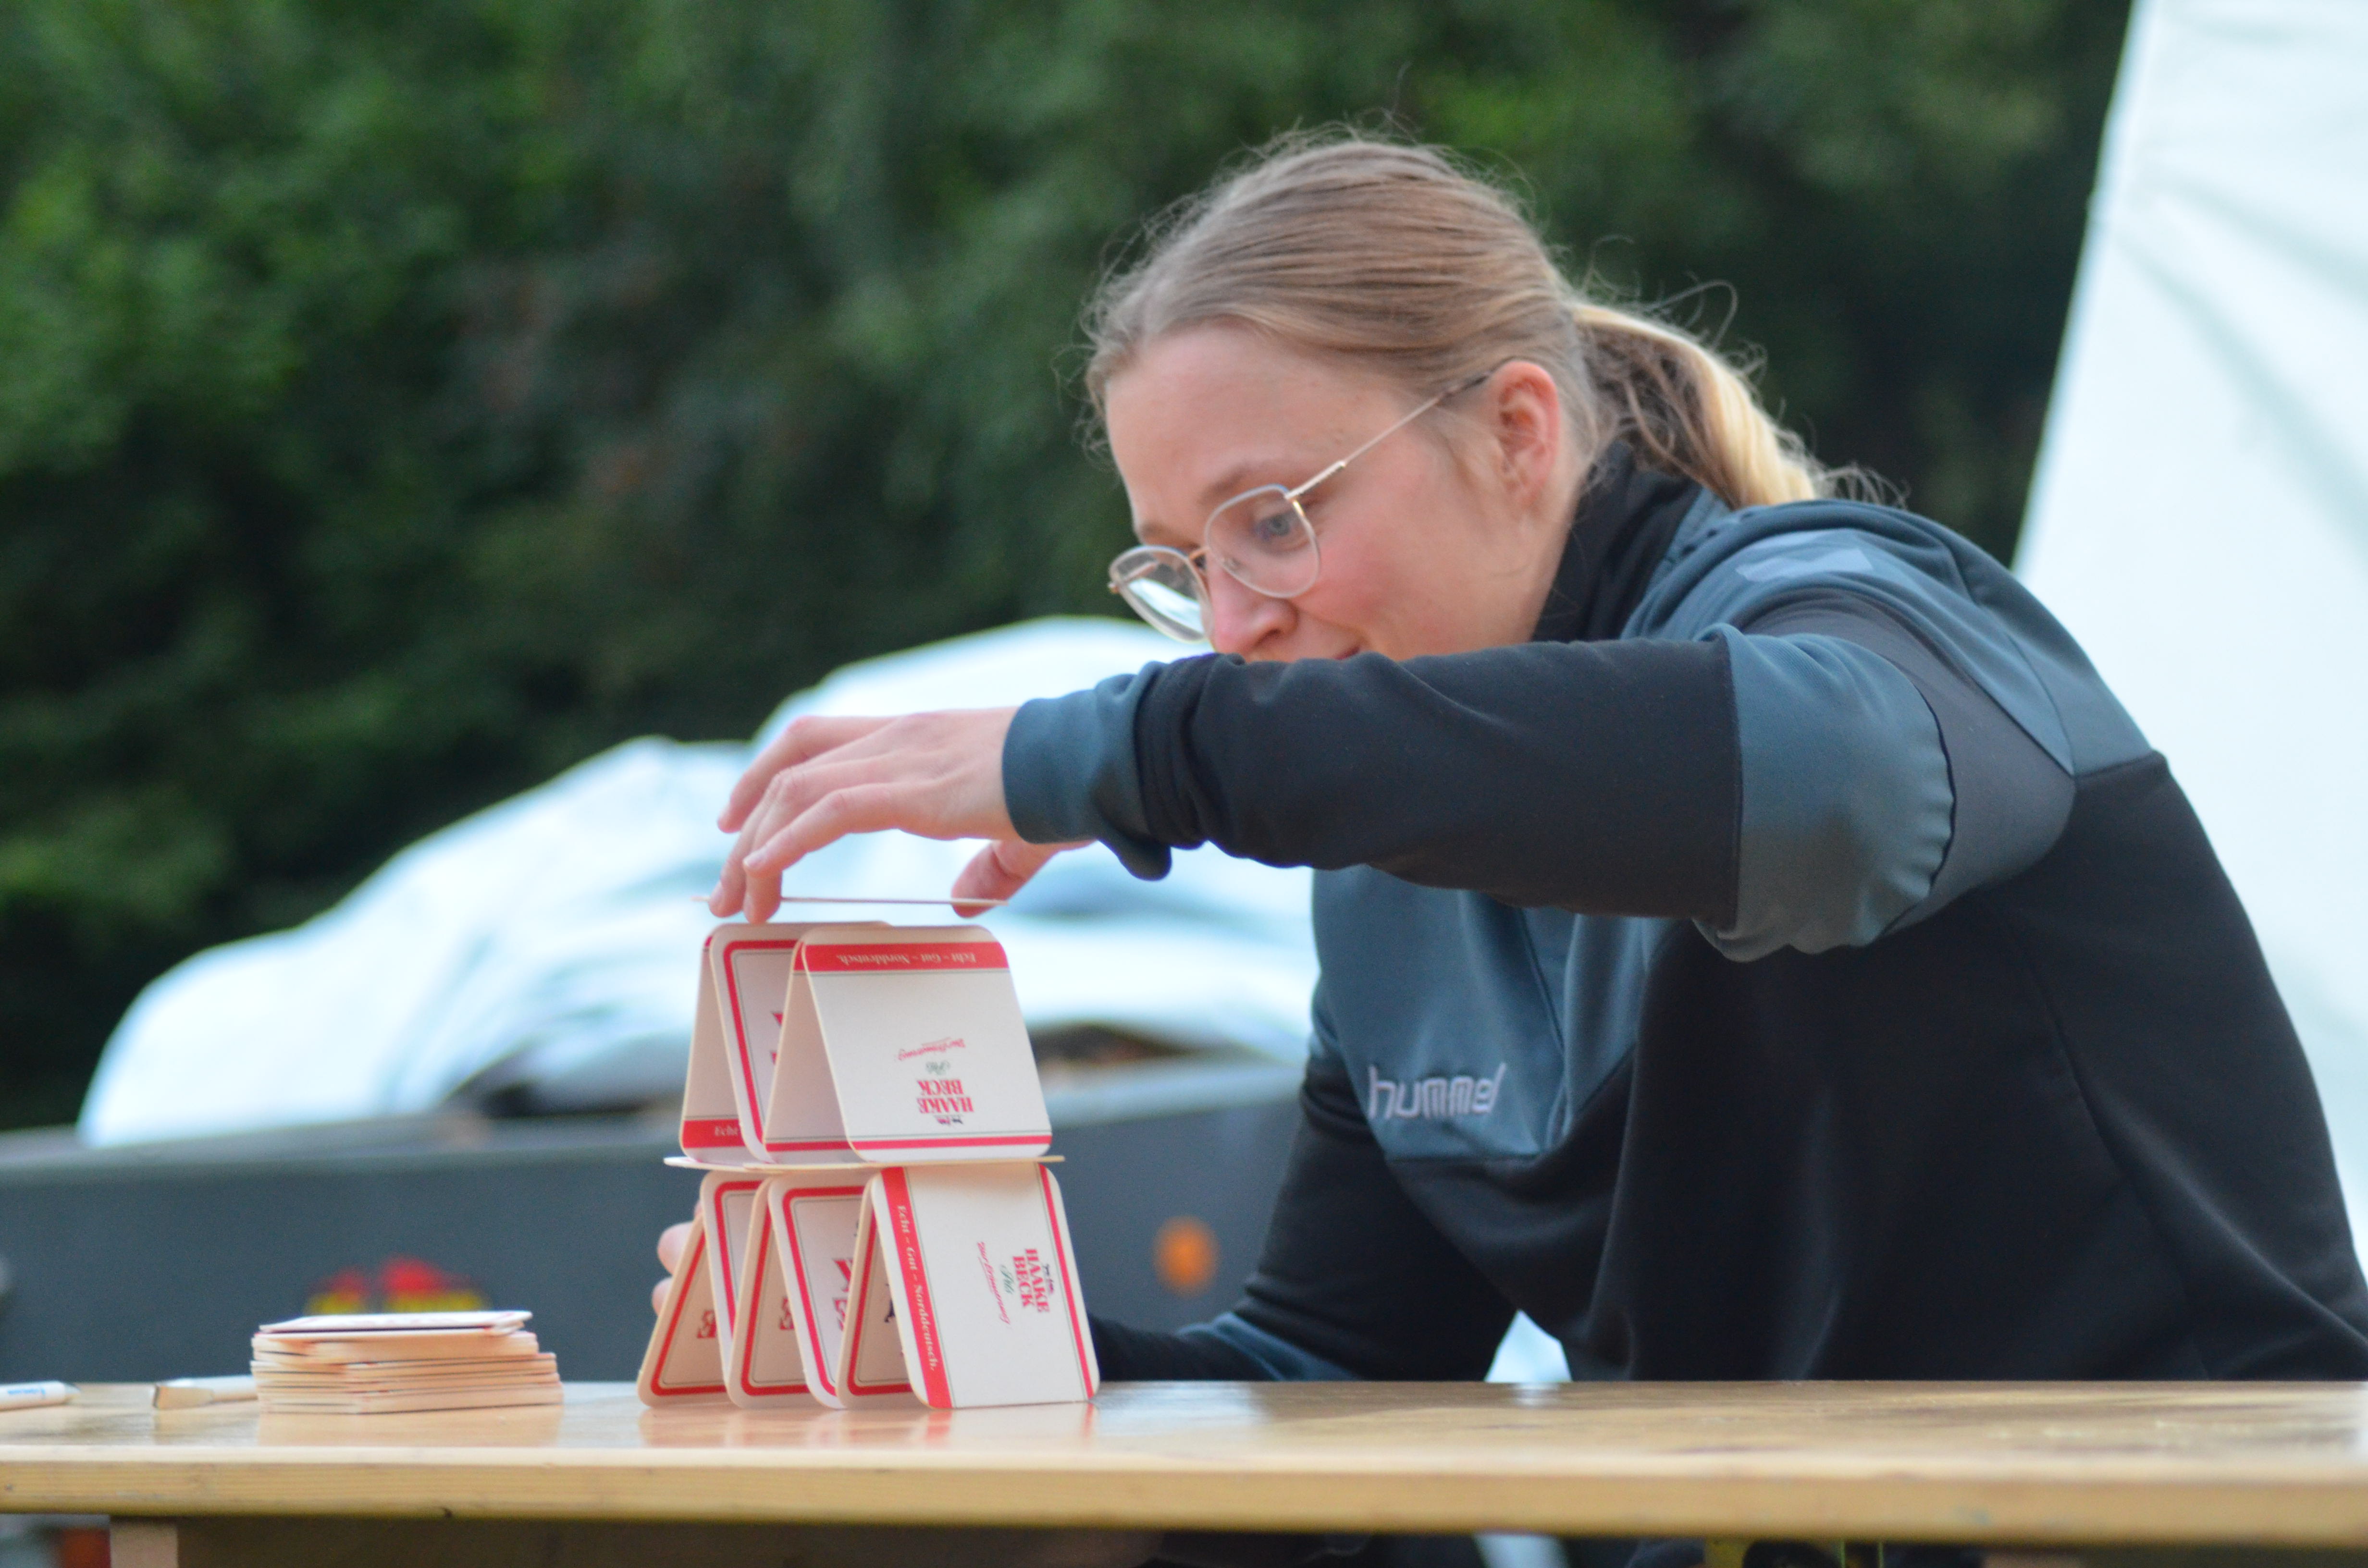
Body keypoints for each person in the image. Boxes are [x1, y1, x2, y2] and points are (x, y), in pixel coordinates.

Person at [674, 135, 2368, 1402]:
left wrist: (1128, 747)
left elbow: (1842, 800)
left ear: (1517, 433)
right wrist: (946, 1346)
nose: (1233, 625)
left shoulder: (1860, 613)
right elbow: (1326, 1378)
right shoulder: (1385, 853)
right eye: (1183, 566)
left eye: (1276, 519)